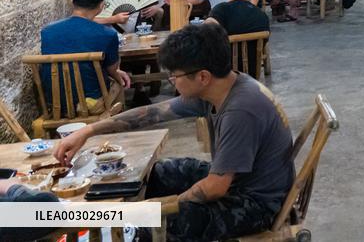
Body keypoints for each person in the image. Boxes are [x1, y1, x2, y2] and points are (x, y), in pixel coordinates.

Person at [55, 23, 294, 241]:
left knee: (153, 225)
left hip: (256, 204)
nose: (172, 81)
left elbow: (215, 188)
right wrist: (89, 130)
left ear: (202, 77)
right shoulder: (219, 88)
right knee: (157, 173)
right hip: (237, 183)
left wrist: (163, 207)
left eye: (175, 75)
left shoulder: (241, 111)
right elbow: (152, 114)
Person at [41, 0, 131, 107]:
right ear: (101, 5)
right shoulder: (107, 34)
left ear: (73, 0)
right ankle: (117, 122)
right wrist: (118, 75)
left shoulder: (47, 31)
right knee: (118, 81)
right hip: (90, 103)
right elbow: (112, 70)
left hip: (56, 103)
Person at [207, 0, 270, 78]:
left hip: (224, 75)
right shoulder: (261, 16)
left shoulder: (221, 10)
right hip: (252, 75)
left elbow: (205, 31)